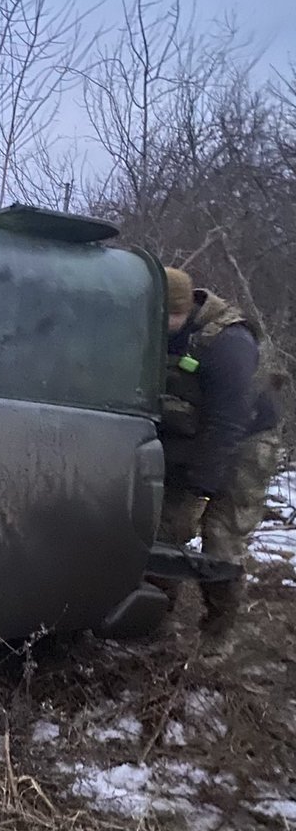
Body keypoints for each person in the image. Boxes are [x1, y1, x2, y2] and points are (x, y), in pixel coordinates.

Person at [154, 266, 282, 654]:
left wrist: (201, 487)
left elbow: (228, 423)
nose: (162, 326)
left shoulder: (229, 345)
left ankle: (218, 635)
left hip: (244, 441)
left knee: (220, 541)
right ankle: (156, 619)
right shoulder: (159, 329)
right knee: (163, 531)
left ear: (185, 310)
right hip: (193, 434)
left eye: (168, 319)